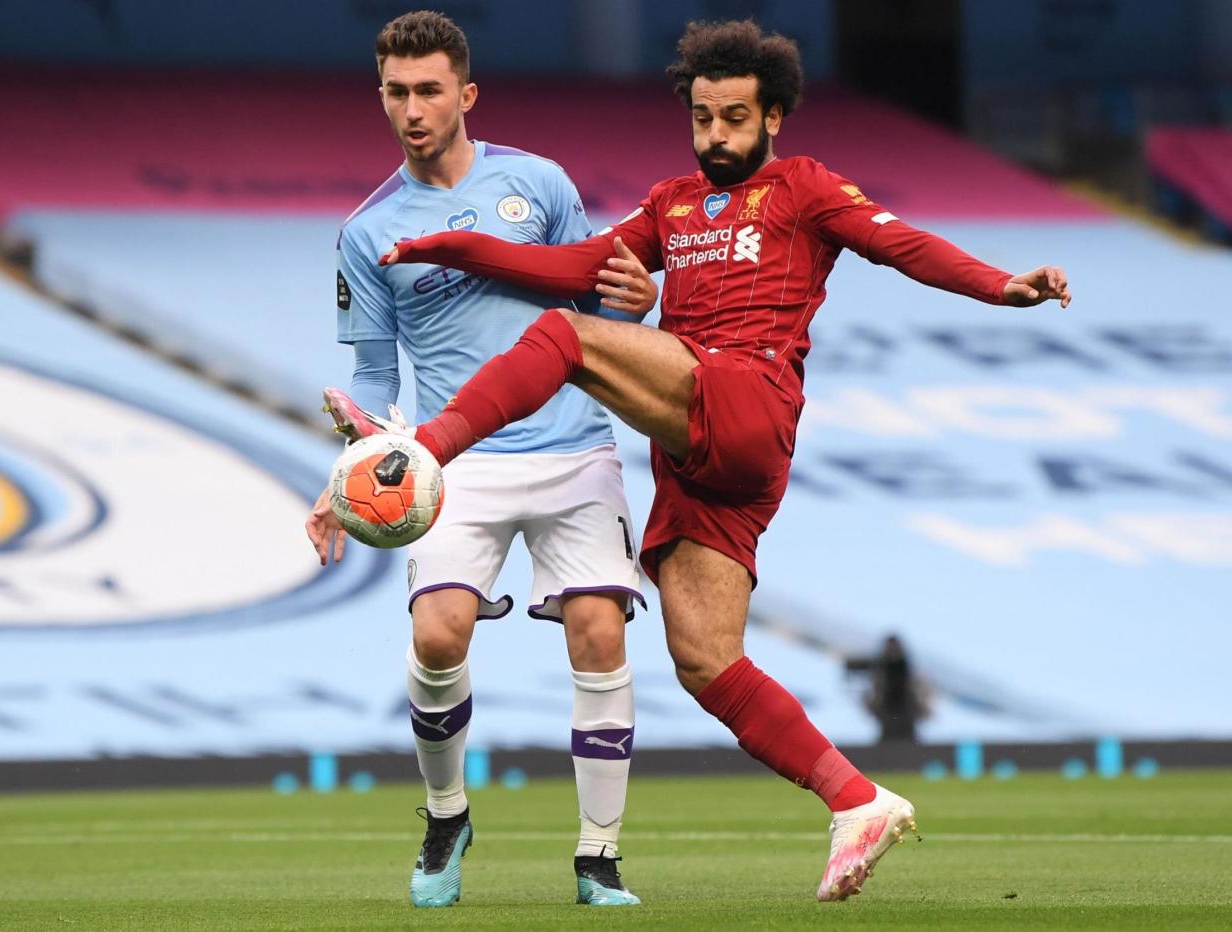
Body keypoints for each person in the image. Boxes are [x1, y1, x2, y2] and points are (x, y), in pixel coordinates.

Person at [371, 19, 1072, 902]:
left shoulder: (805, 188)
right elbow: (572, 263)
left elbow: (900, 243)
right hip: (699, 451)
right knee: (704, 658)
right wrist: (442, 245)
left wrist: (1001, 284)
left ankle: (418, 452)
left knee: (563, 340)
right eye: (702, 118)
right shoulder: (668, 205)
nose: (716, 137)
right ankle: (855, 801)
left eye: (734, 118)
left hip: (745, 398)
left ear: (773, 114)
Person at [304, 11, 660, 909]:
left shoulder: (538, 185)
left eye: (429, 90)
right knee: (436, 634)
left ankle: (599, 859)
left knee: (601, 631)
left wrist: (642, 300)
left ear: (466, 93)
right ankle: (446, 815)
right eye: (397, 92)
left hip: (575, 447)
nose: (413, 109)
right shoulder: (368, 229)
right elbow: (375, 379)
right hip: (456, 462)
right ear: (379, 96)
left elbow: (600, 313)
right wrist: (343, 475)